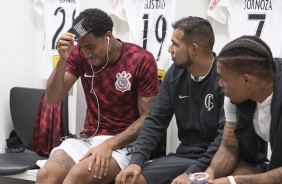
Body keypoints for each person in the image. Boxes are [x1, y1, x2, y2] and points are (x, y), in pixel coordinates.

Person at [35, 8, 159, 184]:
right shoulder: (80, 54)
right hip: (89, 138)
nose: (86, 54)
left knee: (77, 175)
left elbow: (148, 119)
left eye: (91, 47)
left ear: (108, 36)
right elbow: (52, 99)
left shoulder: (140, 60)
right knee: (45, 175)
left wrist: (110, 144)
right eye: (82, 47)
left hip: (125, 143)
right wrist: (63, 59)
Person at [115, 16, 225, 184]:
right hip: (185, 155)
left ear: (194, 49)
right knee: (130, 179)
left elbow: (225, 138)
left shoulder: (224, 79)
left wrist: (192, 173)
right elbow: (155, 120)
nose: (169, 49)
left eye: (175, 44)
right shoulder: (175, 73)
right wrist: (136, 160)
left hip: (217, 160)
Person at [205, 35, 282, 184]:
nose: (219, 84)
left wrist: (235, 181)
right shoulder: (234, 96)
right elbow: (229, 146)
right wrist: (210, 174)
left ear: (246, 80)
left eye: (223, 78)